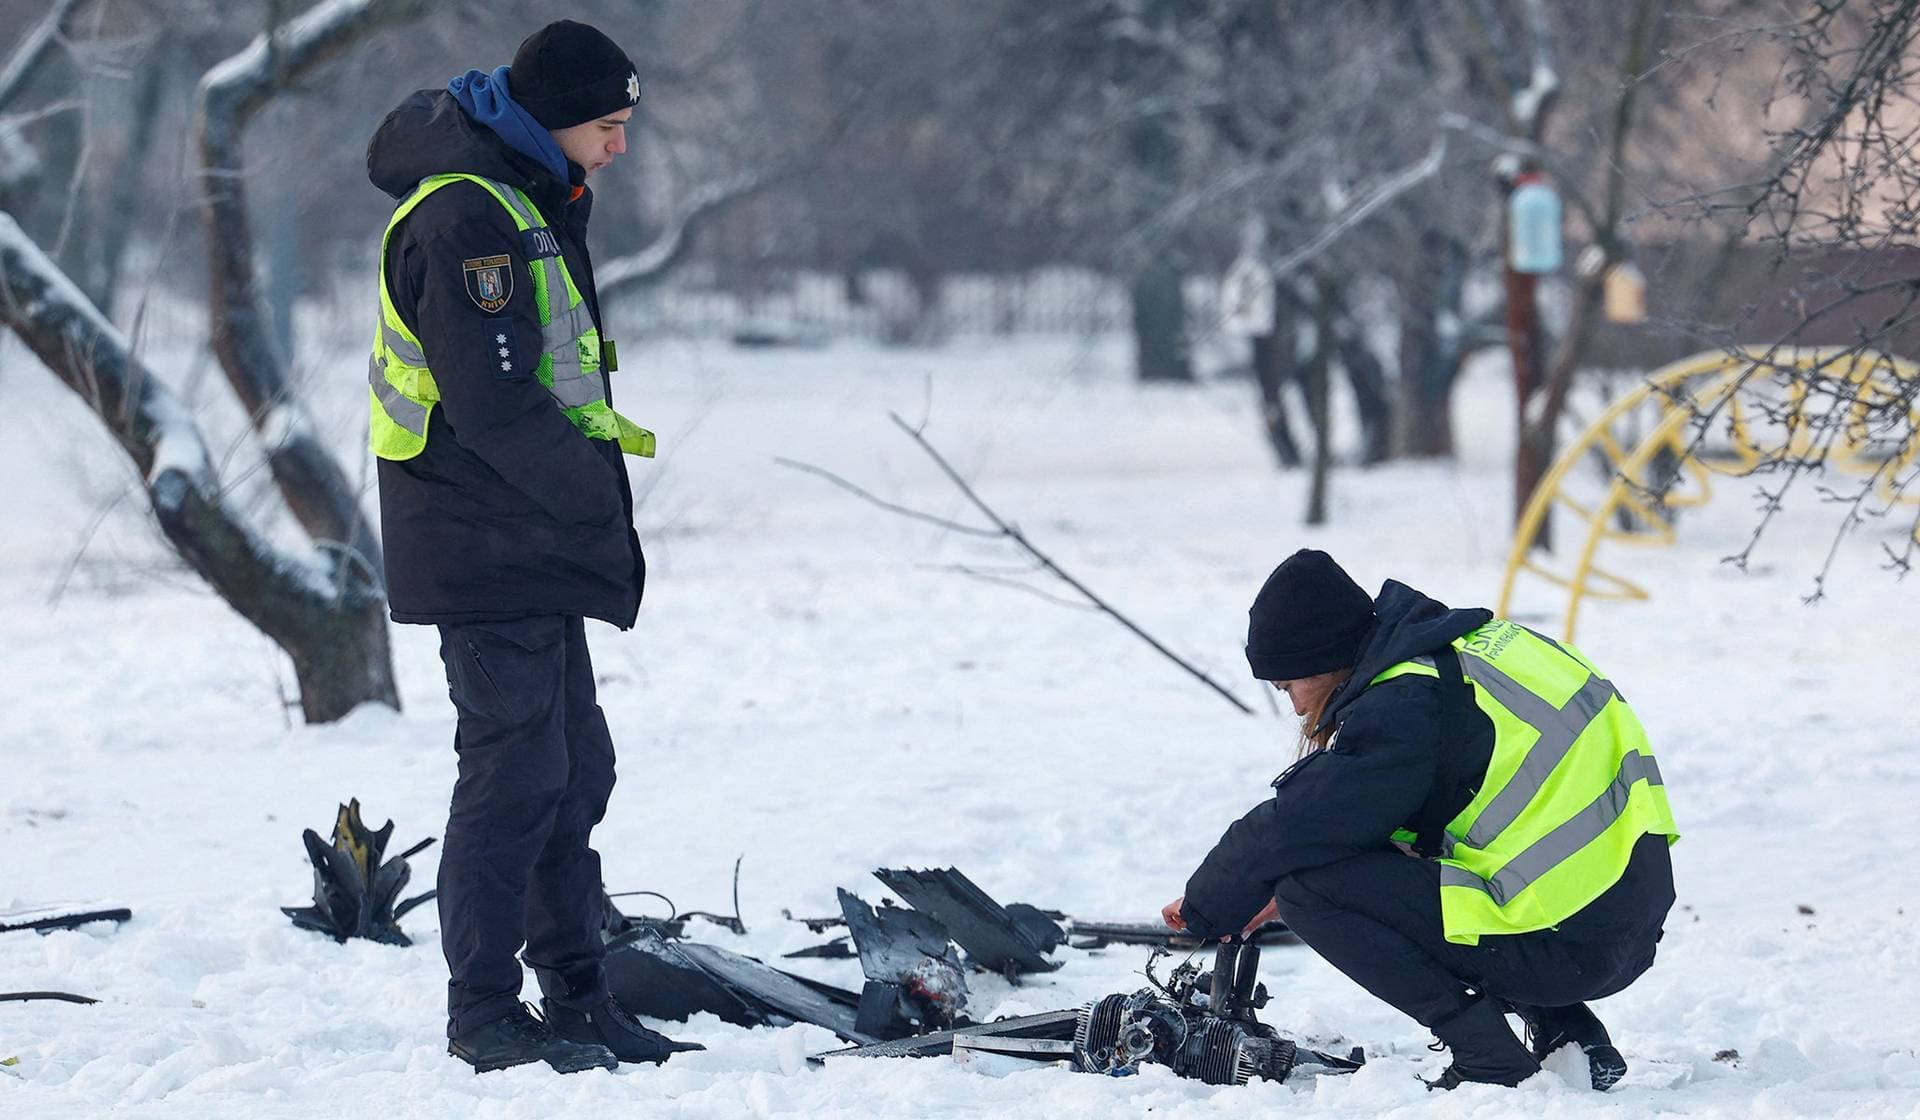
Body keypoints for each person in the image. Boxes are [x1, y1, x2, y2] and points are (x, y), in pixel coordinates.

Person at [365, 20, 697, 1074]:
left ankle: (580, 993)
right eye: (608, 125)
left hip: (530, 539)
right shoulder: (469, 217)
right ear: (554, 120)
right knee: (516, 774)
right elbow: (498, 406)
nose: (621, 145)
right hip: (479, 539)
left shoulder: (524, 196)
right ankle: (484, 1012)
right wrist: (599, 509)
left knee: (573, 766)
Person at [1162, 549, 1677, 1090]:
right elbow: (1421, 809)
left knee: (1307, 893)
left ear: (1324, 658)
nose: (1294, 709)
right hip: (1620, 925)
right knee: (1410, 849)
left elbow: (1299, 824)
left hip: (1567, 942)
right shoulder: (1471, 654)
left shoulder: (1405, 702)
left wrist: (1207, 907)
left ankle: (1488, 1059)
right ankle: (1571, 1033)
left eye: (1288, 687)